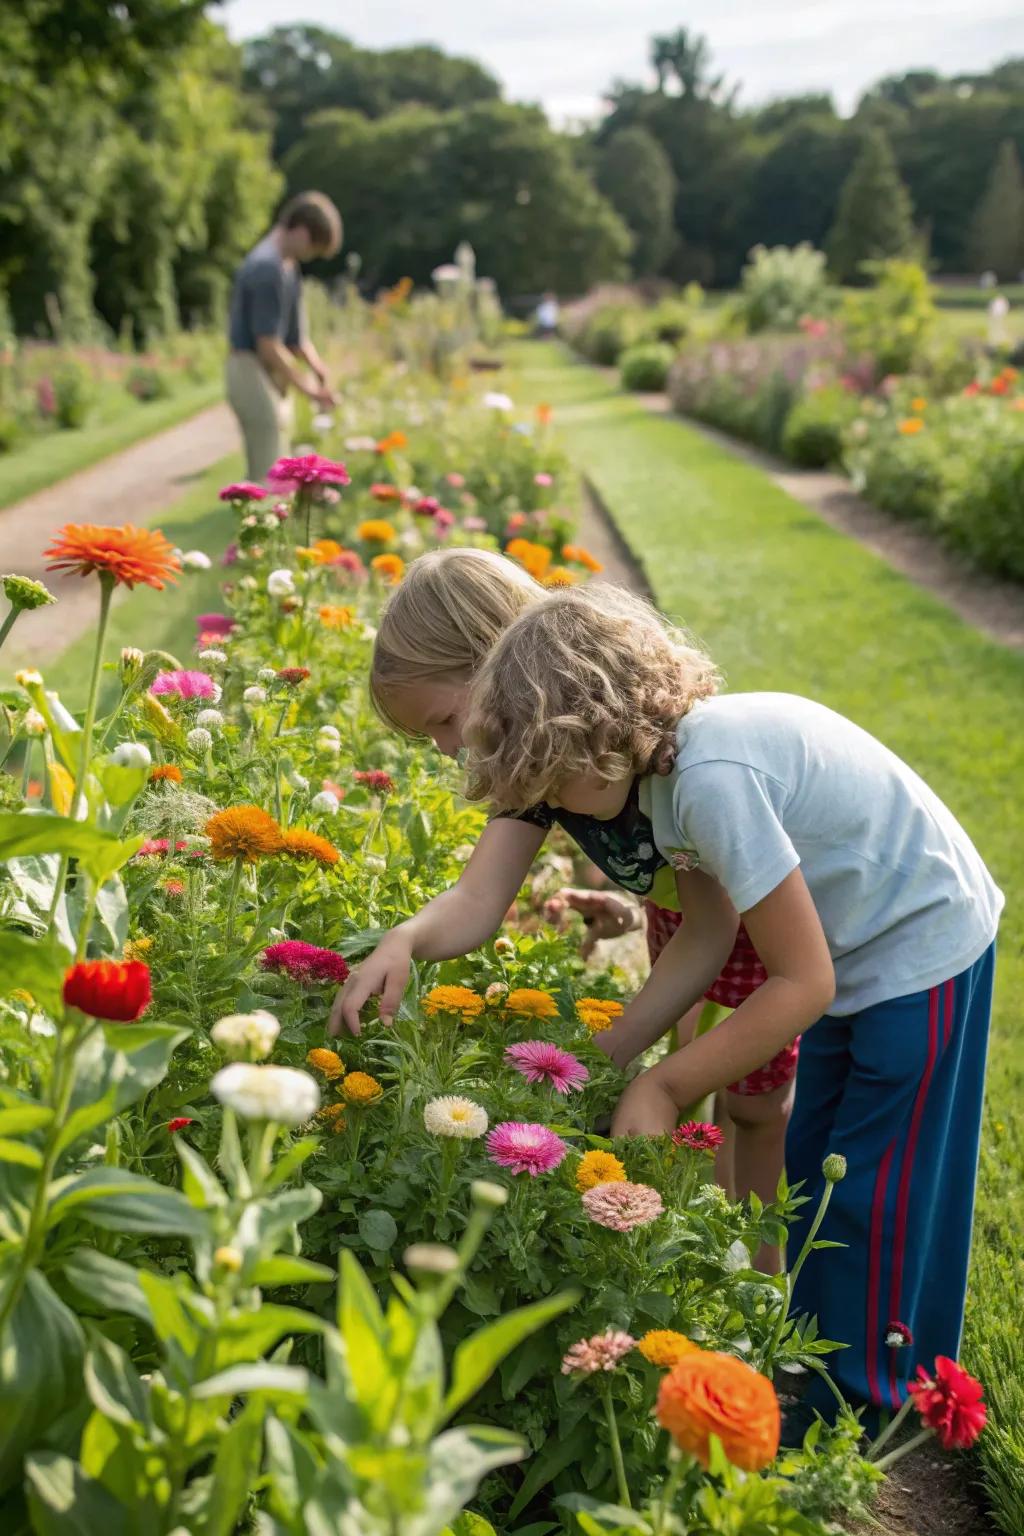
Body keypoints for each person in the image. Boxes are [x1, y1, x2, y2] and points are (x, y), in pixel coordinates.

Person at [455, 583, 1001, 1436]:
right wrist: (611, 1057)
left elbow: (800, 982)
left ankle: (869, 1409)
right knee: (820, 1175)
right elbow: (707, 936)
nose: (554, 809)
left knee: (878, 1191)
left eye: (553, 782)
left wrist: (668, 1087)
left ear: (601, 736)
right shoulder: (664, 775)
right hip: (855, 950)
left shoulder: (710, 777)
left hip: (920, 942)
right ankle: (816, 1371)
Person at [330, 549, 802, 1266]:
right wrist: (406, 938)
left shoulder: (630, 745)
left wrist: (619, 1056)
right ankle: (712, 1244)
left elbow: (720, 906)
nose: (449, 748)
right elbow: (477, 897)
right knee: (694, 1086)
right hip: (682, 922)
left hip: (752, 924)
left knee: (754, 1104)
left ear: (502, 668)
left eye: (445, 720)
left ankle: (762, 1286)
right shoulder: (530, 763)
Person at [226, 191, 342, 482]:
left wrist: (319, 370)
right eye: (313, 248)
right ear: (302, 232)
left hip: (264, 369)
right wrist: (309, 389)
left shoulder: (288, 267)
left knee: (279, 456)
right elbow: (268, 345)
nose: (311, 255)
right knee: (267, 469)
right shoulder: (267, 267)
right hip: (248, 366)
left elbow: (296, 338)